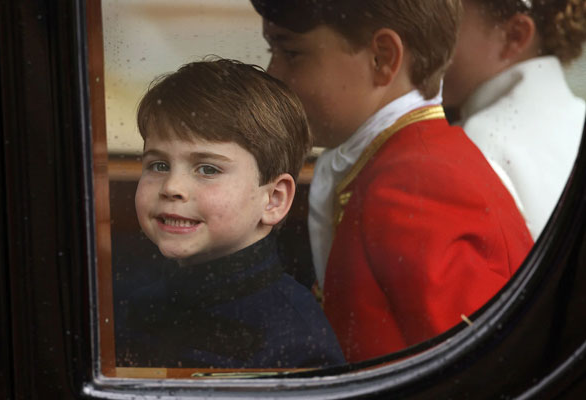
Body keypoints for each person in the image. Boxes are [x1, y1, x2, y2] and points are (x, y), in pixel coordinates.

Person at [250, 0, 534, 362]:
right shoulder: (402, 163)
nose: (273, 74)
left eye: (291, 53)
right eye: (273, 50)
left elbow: (469, 372)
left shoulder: (414, 187)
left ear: (381, 59)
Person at [115, 58, 345, 369]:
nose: (172, 186)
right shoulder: (137, 304)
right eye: (158, 165)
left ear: (273, 199)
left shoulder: (294, 340)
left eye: (207, 169)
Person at [443, 0, 586, 240]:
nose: (426, 40)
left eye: (447, 22)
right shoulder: (579, 115)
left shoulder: (475, 148)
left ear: (514, 37)